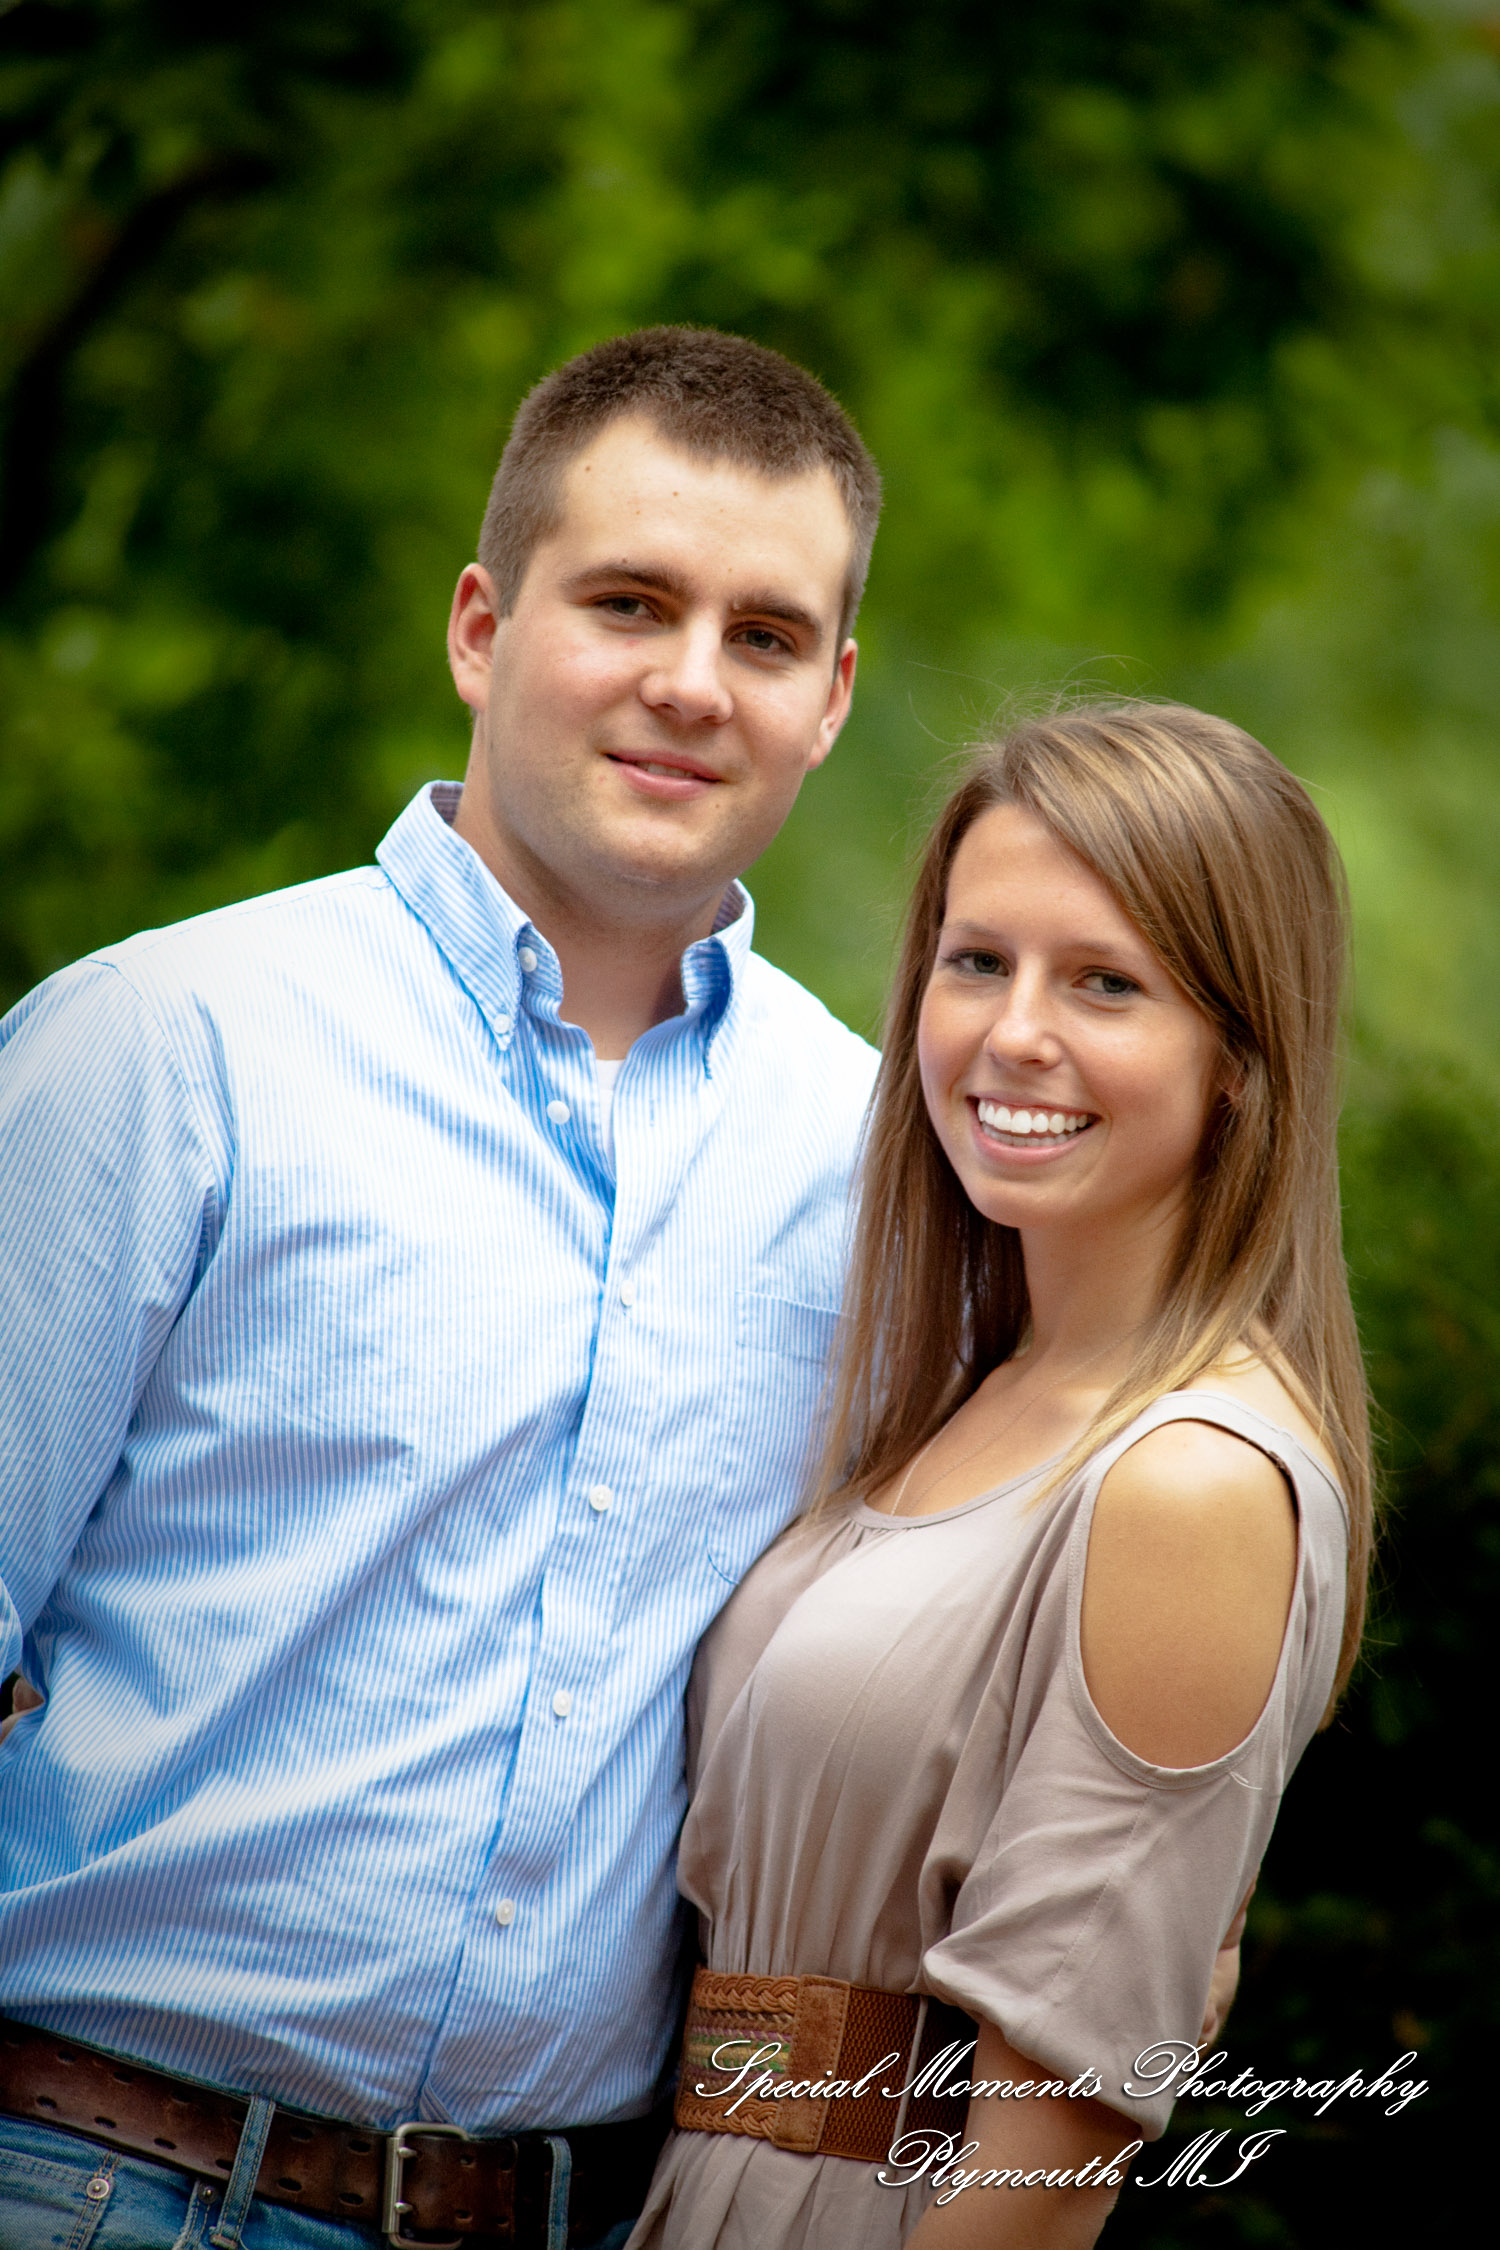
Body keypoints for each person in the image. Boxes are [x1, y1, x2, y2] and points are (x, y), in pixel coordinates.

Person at [0, 327, 882, 2250]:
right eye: (628, 602)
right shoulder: (167, 1047)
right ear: (483, 626)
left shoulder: (876, 1158)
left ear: (829, 697)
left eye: (762, 633)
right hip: (87, 2183)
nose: (686, 682)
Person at [629, 702, 1371, 2250]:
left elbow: (1047, 2175)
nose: (1014, 1033)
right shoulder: (969, 1385)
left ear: (1239, 1054)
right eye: (979, 961)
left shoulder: (1192, 1480)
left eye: (1106, 981)